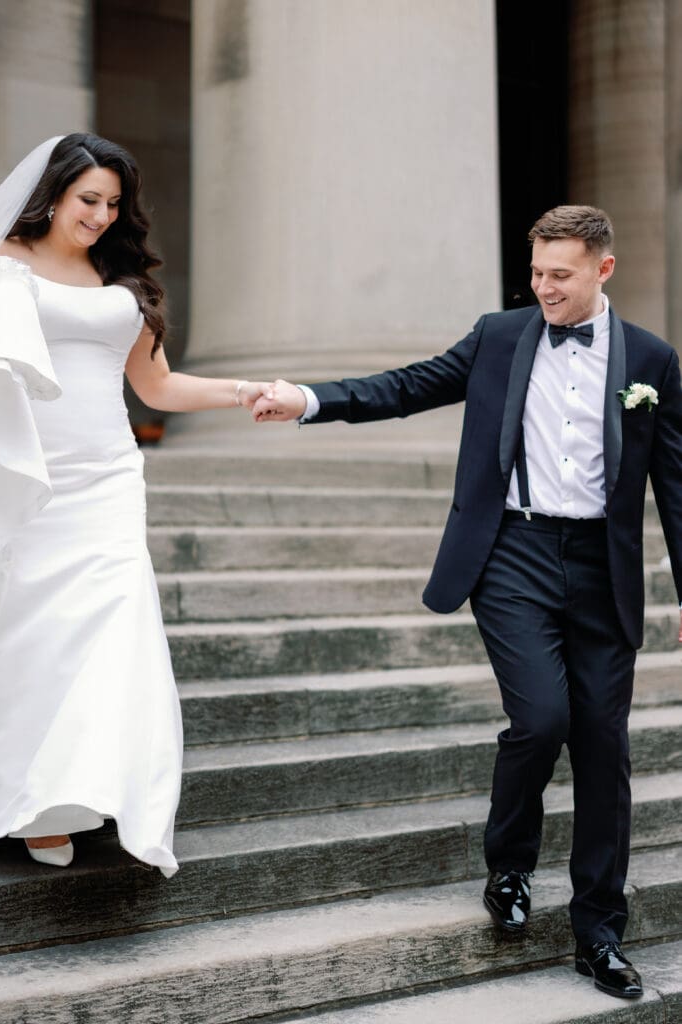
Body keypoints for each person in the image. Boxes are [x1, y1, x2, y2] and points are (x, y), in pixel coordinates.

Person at [252, 205, 682, 1001]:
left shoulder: (652, 360)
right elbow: (407, 387)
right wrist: (308, 398)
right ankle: (510, 866)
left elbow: (676, 488)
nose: (543, 288)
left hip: (602, 569)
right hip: (511, 555)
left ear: (602, 270)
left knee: (603, 749)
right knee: (541, 720)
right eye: (535, 273)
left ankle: (598, 933)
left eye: (560, 275)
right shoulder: (498, 335)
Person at [0, 133, 268, 873]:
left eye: (114, 204)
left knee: (112, 618)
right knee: (33, 619)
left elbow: (156, 388)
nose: (102, 216)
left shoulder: (123, 280)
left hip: (108, 470)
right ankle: (26, 782)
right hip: (24, 469)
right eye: (89, 200)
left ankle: (84, 785)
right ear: (52, 193)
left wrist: (242, 392)